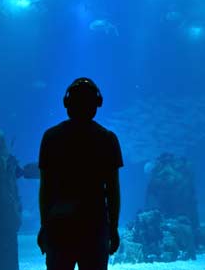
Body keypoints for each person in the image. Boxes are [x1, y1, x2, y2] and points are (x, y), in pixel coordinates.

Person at [37, 77, 123, 270]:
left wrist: (44, 225)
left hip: (59, 227)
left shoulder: (51, 137)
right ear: (97, 104)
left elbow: (45, 189)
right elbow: (113, 190)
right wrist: (113, 228)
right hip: (94, 228)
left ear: (67, 103)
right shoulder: (107, 139)